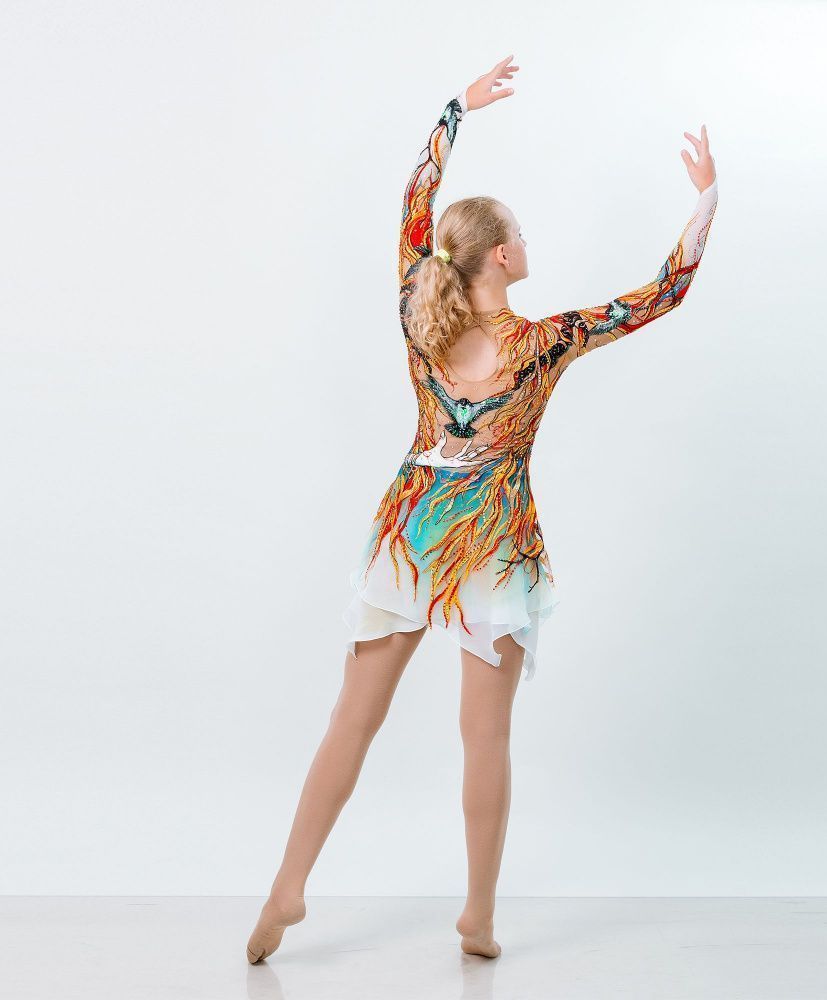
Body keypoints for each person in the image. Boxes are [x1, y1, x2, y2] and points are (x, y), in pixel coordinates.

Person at [246, 54, 718, 964]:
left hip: (411, 528)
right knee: (485, 737)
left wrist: (454, 112)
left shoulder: (417, 314)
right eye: (521, 235)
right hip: (493, 542)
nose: (528, 243)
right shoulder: (543, 342)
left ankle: (287, 888)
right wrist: (705, 200)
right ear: (502, 256)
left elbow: (413, 203)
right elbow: (665, 292)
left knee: (352, 717)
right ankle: (477, 918)